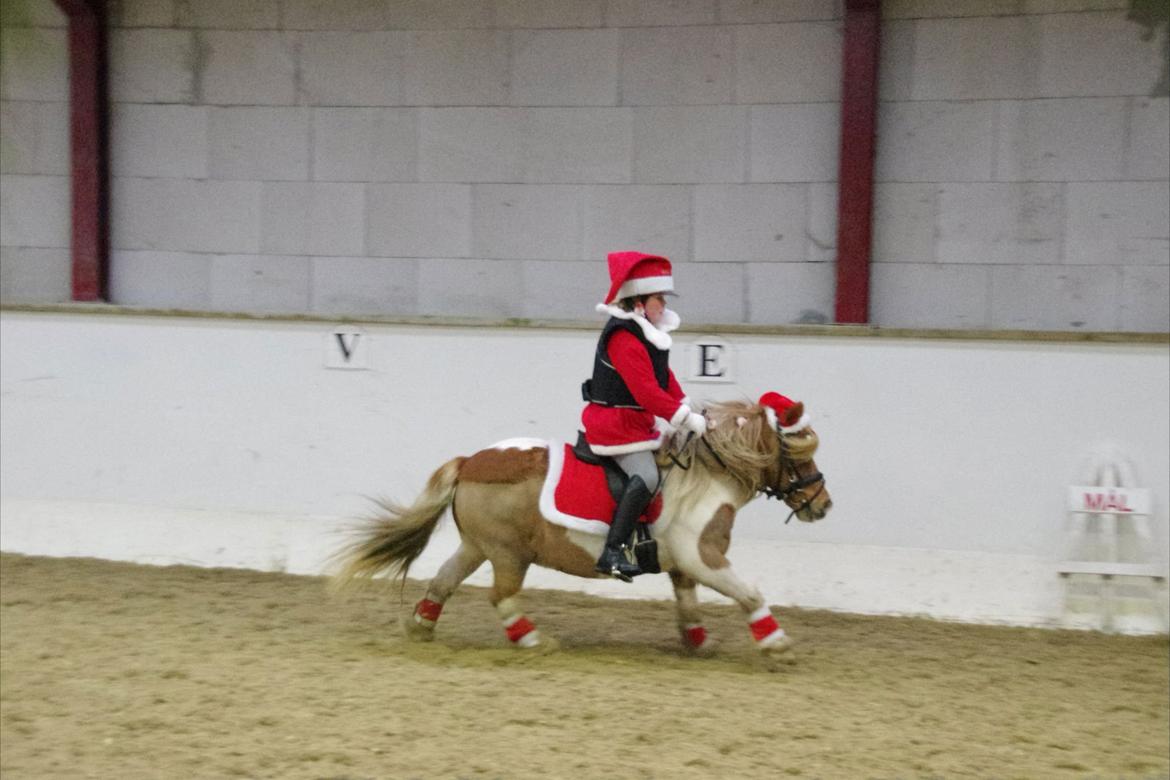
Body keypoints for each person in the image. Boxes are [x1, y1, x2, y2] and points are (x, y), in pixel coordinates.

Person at [580, 251, 709, 581]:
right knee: (649, 477)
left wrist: (686, 406)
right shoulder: (624, 337)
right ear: (638, 301)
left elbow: (663, 379)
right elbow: (646, 392)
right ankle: (611, 552)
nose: (663, 305)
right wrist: (681, 418)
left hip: (636, 424)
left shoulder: (646, 335)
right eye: (658, 298)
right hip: (615, 426)